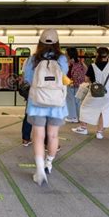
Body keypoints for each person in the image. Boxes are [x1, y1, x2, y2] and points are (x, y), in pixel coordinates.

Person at [23, 29, 68, 186]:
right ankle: (49, 163)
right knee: (53, 135)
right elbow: (64, 77)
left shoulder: (33, 59)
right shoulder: (62, 59)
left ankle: (40, 169)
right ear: (57, 43)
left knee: (38, 136)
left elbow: (27, 79)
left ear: (40, 42)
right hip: (57, 103)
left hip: (37, 103)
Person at [72, 47, 109, 139]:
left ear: (97, 54)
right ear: (108, 55)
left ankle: (83, 127)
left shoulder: (92, 66)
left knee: (84, 107)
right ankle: (99, 133)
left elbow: (86, 79)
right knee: (104, 112)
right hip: (108, 93)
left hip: (94, 92)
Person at [65, 47, 87, 123]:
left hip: (73, 85)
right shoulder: (79, 62)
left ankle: (72, 117)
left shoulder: (73, 63)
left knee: (71, 101)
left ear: (69, 54)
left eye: (66, 53)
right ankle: (79, 117)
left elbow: (73, 75)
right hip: (78, 85)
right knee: (77, 102)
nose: (65, 54)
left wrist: (72, 83)